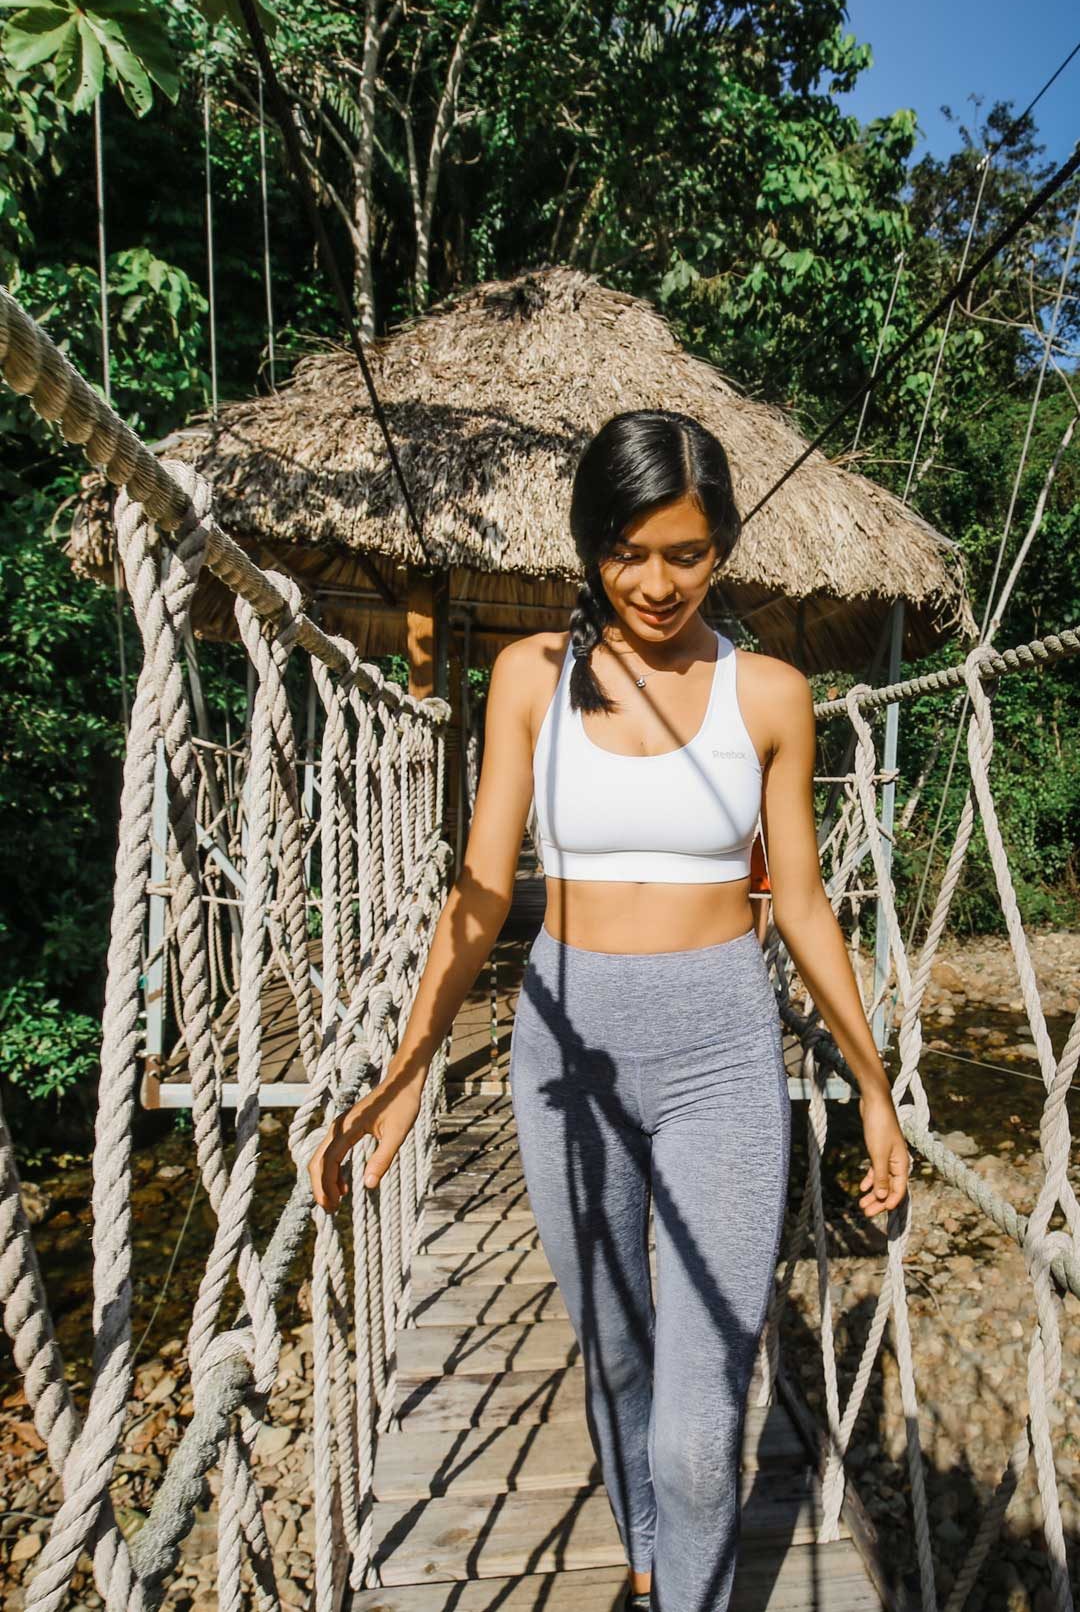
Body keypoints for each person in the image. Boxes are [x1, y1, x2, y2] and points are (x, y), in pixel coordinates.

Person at [309, 409, 911, 1612]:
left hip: (723, 1059)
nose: (655, 582)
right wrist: (409, 1064)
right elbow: (478, 895)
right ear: (590, 545)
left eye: (685, 553)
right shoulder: (531, 678)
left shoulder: (773, 696)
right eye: (627, 551)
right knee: (617, 1347)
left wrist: (877, 1089)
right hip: (563, 1054)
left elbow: (799, 905)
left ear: (723, 549)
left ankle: (677, 1585)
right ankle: (641, 1531)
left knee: (700, 1433)